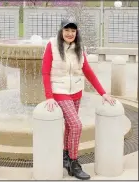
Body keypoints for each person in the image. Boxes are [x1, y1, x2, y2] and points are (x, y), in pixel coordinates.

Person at [41, 18, 116, 180]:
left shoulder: (79, 47)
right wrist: (49, 96)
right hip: (59, 90)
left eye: (73, 31)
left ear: (77, 33)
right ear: (61, 31)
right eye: (67, 30)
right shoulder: (52, 46)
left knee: (70, 126)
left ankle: (66, 157)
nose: (70, 34)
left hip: (76, 90)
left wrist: (103, 93)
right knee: (76, 125)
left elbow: (87, 71)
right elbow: (45, 72)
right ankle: (74, 162)